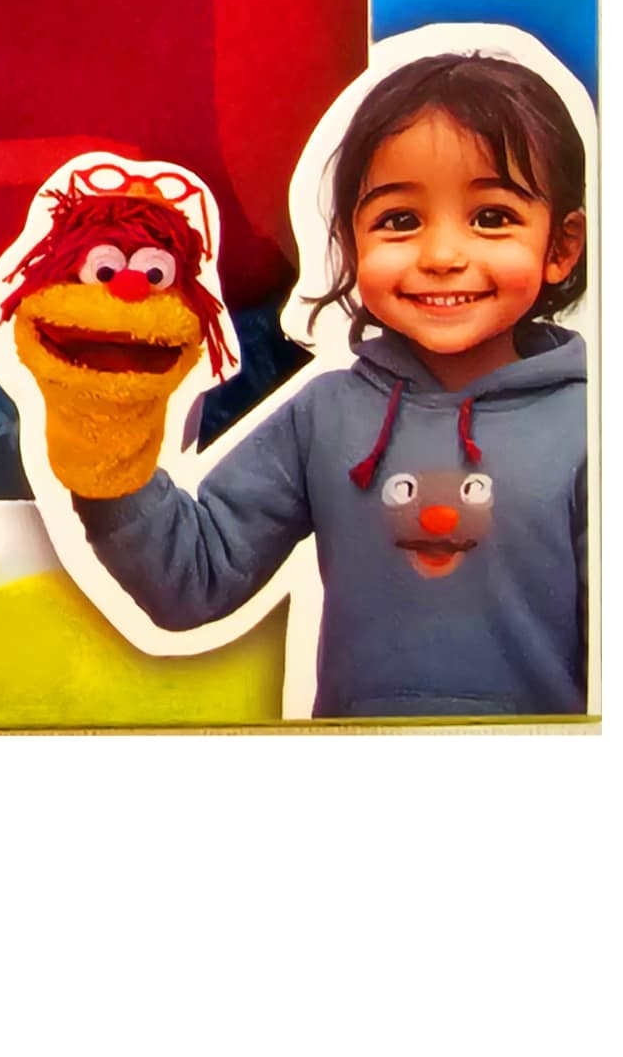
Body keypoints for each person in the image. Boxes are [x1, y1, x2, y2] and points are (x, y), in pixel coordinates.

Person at [70, 49, 590, 718]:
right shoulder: (324, 414)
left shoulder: (593, 426)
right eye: (400, 221)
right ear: (350, 243)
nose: (441, 256)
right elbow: (193, 580)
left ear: (561, 247)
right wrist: (106, 447)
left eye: (491, 217)